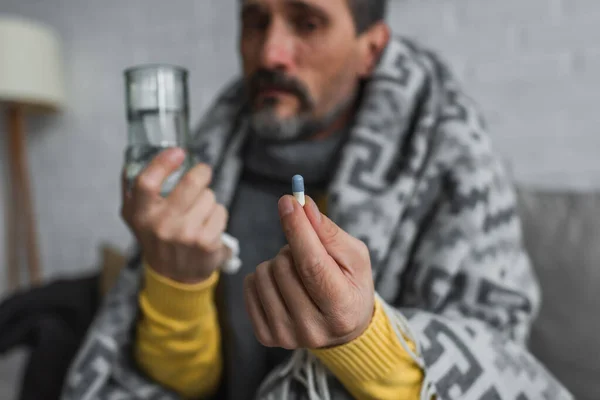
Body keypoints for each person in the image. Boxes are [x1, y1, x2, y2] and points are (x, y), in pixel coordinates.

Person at [61, 0, 573, 399]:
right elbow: (189, 388)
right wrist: (177, 281)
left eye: (307, 23)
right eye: (255, 21)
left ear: (370, 49)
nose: (268, 53)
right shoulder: (206, 162)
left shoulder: (450, 161)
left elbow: (495, 367)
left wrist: (362, 336)